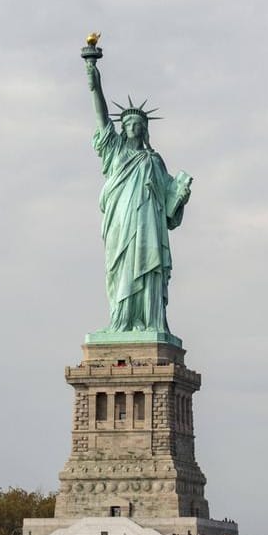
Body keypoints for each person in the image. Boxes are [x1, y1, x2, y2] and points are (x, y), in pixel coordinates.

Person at [84, 44, 192, 333]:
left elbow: (170, 207)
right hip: (121, 222)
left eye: (137, 123)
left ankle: (150, 321)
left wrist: (180, 195)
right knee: (120, 269)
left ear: (145, 129)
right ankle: (121, 321)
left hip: (148, 225)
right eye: (128, 122)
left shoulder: (154, 160)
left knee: (148, 269)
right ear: (122, 128)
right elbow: (101, 114)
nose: (132, 126)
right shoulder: (115, 152)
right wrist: (93, 77)